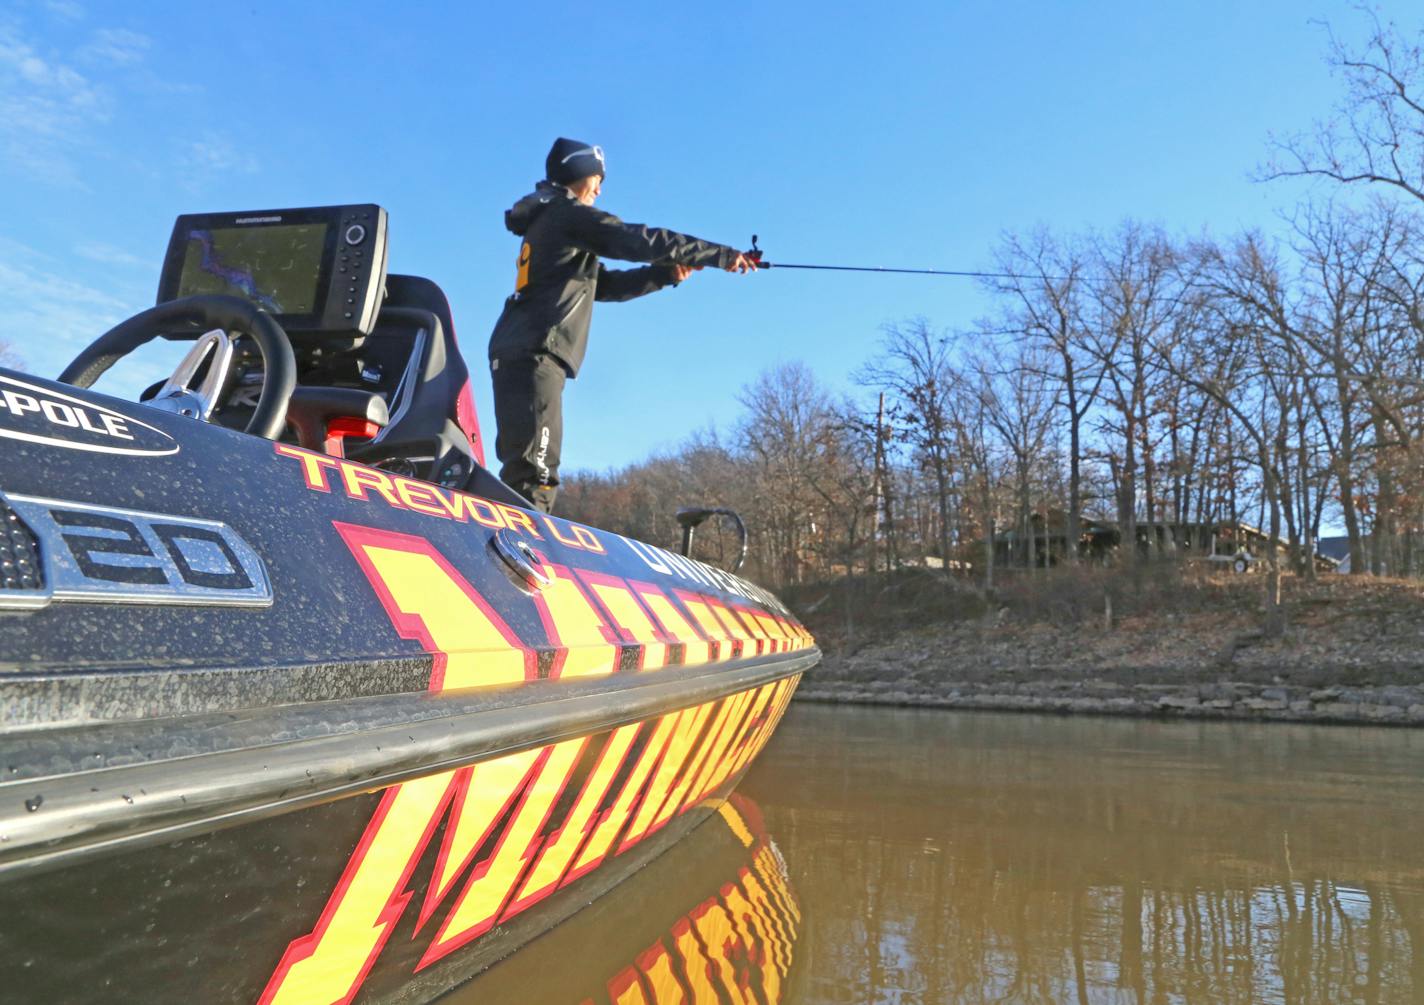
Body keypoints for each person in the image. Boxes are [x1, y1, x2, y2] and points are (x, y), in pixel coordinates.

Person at [488, 137, 757, 513]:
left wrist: (664, 276)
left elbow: (604, 285)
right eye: (596, 177)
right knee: (535, 477)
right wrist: (722, 255)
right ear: (577, 174)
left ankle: (511, 552)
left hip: (522, 351)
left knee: (527, 471)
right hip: (535, 354)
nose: (600, 188)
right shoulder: (568, 215)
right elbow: (638, 239)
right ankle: (519, 560)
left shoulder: (550, 220)